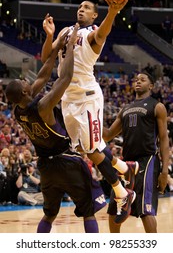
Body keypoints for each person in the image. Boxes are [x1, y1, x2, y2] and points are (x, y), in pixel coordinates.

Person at [41, 0, 139, 224]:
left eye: (86, 8)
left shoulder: (93, 31)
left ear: (95, 15)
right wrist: (49, 35)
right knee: (86, 149)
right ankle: (126, 167)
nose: (81, 10)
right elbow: (47, 56)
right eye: (79, 7)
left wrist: (113, 11)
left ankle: (124, 194)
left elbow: (103, 32)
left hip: (87, 98)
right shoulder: (66, 31)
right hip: (67, 97)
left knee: (92, 150)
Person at [5, 23, 106, 233]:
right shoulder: (42, 107)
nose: (26, 80)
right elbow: (66, 78)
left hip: (46, 168)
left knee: (49, 214)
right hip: (65, 161)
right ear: (24, 92)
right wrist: (70, 48)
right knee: (88, 211)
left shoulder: (18, 110)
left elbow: (43, 75)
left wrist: (56, 43)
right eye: (23, 82)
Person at [103, 71, 169, 233]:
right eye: (136, 79)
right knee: (114, 209)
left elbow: (164, 139)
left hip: (147, 161)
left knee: (146, 211)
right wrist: (91, 121)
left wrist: (164, 172)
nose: (138, 82)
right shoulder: (125, 109)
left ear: (151, 86)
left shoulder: (157, 106)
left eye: (143, 80)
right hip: (126, 164)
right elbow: (108, 135)